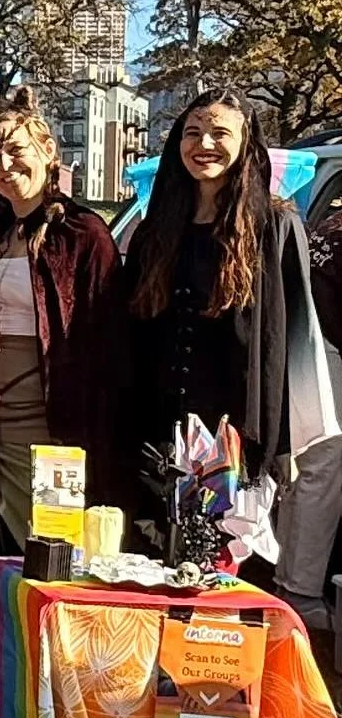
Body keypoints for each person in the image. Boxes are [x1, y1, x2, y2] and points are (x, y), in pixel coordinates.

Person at [0, 89, 128, 676]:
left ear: (48, 151)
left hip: (46, 424)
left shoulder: (84, 236)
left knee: (47, 545)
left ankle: (60, 683)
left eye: (15, 150)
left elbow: (103, 343)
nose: (3, 165)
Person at [127, 90, 336, 538]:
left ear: (246, 143)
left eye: (220, 133)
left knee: (219, 572)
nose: (204, 144)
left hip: (233, 433)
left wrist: (281, 442)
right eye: (193, 133)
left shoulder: (275, 228)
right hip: (155, 432)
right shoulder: (154, 231)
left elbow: (288, 338)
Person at [269, 201, 342, 631]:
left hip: (311, 333)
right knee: (322, 462)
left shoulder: (331, 221)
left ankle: (292, 582)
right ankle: (298, 590)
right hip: (324, 340)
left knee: (310, 465)